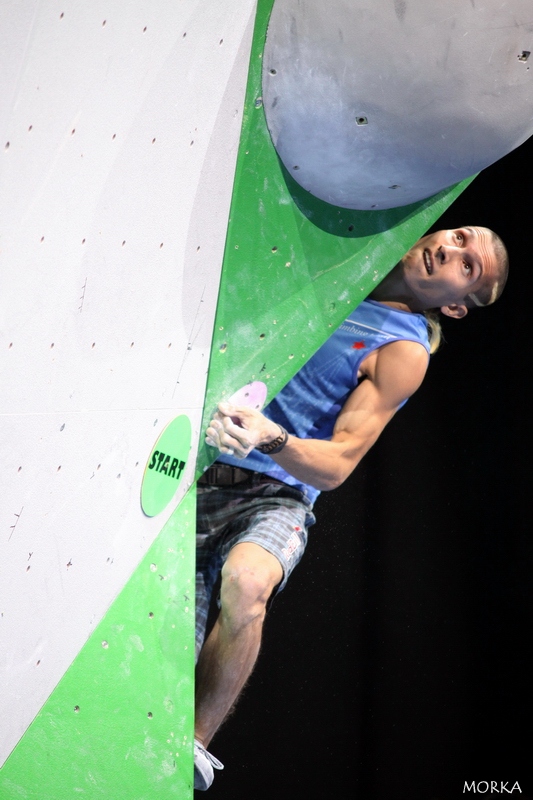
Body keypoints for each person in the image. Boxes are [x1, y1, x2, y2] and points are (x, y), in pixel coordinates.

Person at [193, 226, 508, 790]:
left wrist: (272, 439)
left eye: (468, 266)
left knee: (247, 582)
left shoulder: (403, 350)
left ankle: (195, 746)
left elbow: (338, 463)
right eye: (461, 237)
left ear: (457, 308)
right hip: (197, 478)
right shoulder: (332, 266)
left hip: (276, 497)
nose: (453, 250)